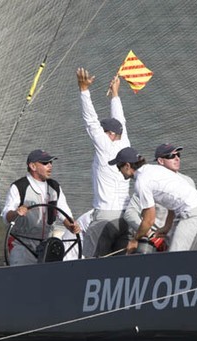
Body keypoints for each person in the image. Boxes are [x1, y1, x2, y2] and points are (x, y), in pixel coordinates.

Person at [109, 147, 197, 254]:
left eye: (119, 167)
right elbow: (172, 203)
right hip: (196, 209)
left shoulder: (142, 181)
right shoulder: (154, 169)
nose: (119, 170)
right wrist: (166, 227)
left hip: (191, 213)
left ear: (127, 166)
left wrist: (134, 240)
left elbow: (149, 220)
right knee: (178, 255)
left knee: (177, 256)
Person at [77, 67, 131, 258]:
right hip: (125, 217)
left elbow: (91, 122)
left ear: (109, 134)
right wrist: (115, 95)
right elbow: (120, 120)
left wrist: (84, 90)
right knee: (118, 266)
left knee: (92, 263)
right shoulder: (125, 144)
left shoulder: (105, 146)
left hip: (105, 215)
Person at [2, 149, 81, 266]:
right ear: (33, 166)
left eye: (50, 163)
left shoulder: (55, 187)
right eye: (45, 163)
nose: (50, 166)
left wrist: (71, 226)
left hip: (47, 245)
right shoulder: (19, 186)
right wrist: (16, 213)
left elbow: (63, 212)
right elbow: (6, 215)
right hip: (22, 245)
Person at [124, 144, 195, 244]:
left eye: (178, 155)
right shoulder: (148, 182)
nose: (177, 159)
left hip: (177, 234)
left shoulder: (188, 182)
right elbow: (129, 213)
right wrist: (150, 234)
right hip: (154, 236)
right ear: (160, 161)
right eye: (171, 156)